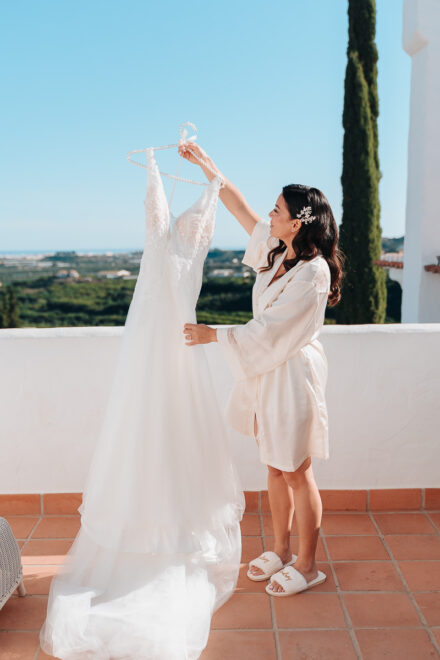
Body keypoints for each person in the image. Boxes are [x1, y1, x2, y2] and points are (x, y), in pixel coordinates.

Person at [179, 141, 345, 597]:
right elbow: (240, 207)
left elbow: (272, 332)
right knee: (273, 466)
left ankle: (308, 565)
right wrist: (206, 165)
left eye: (277, 211)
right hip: (266, 374)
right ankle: (280, 549)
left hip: (292, 375)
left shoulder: (313, 273)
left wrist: (214, 334)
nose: (269, 216)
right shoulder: (278, 250)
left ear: (297, 222)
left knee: (297, 470)